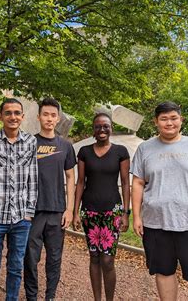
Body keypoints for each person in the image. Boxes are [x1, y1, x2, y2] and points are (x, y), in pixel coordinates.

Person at [131, 101, 188, 301]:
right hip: (155, 223)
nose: (169, 123)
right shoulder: (145, 148)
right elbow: (138, 183)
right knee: (163, 272)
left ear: (181, 119)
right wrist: (136, 216)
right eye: (164, 119)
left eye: (173, 118)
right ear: (156, 122)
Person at [0, 97, 38, 301]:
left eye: (16, 113)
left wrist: (29, 213)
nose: (13, 117)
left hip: (21, 219)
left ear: (22, 116)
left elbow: (33, 179)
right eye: (8, 113)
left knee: (15, 268)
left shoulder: (30, 141)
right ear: (0, 116)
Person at [73, 113, 130, 301]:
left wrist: (125, 213)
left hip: (111, 211)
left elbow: (125, 182)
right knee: (94, 257)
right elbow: (80, 182)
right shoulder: (84, 152)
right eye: (98, 126)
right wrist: (75, 212)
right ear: (93, 130)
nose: (102, 130)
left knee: (107, 260)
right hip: (89, 211)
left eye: (105, 126)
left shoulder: (120, 151)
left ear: (111, 128)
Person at [23, 98, 76, 301]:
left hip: (57, 211)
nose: (49, 118)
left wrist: (69, 209)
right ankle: (32, 297)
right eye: (45, 114)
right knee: (30, 259)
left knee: (54, 259)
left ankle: (50, 296)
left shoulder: (65, 145)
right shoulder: (28, 143)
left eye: (53, 115)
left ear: (58, 118)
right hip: (32, 212)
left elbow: (71, 177)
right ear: (38, 117)